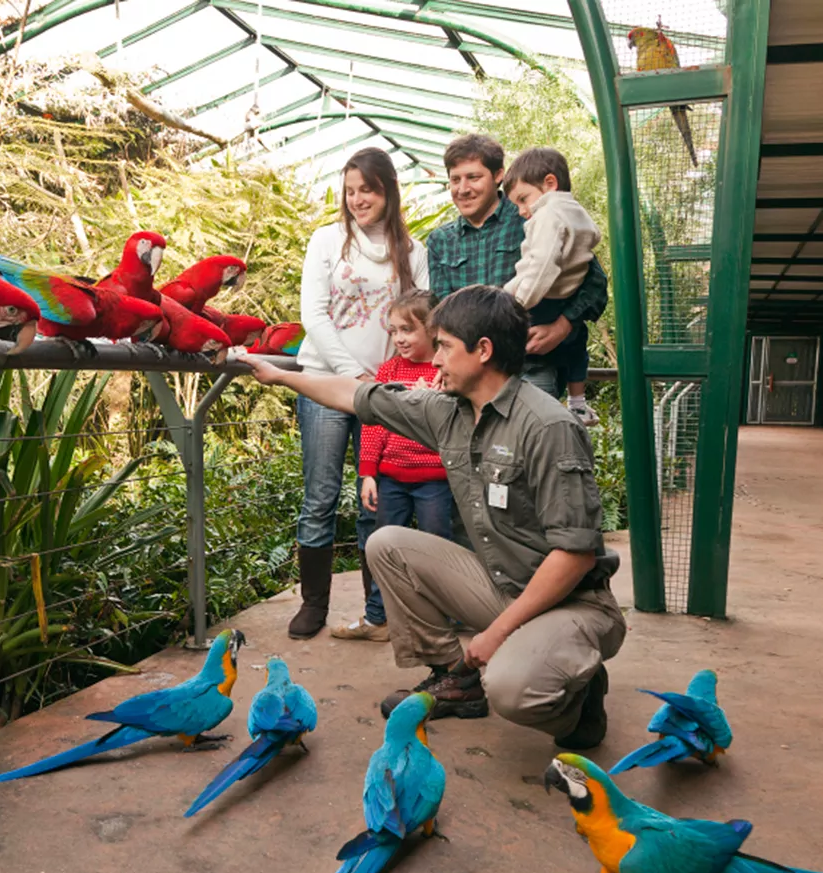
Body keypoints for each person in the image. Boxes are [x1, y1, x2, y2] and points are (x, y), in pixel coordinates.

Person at [241, 285, 626, 751]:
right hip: (504, 588)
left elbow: (575, 555)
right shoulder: (448, 412)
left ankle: (579, 706)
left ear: (482, 350)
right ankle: (454, 679)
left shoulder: (547, 427)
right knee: (387, 543)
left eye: (443, 345)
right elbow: (355, 394)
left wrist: (495, 635)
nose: (435, 358)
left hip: (572, 604)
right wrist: (280, 377)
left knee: (511, 689)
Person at [289, 147, 429, 640]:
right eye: (350, 191)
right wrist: (354, 375)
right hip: (328, 384)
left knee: (379, 499)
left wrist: (383, 380)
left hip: (384, 393)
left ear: (386, 190)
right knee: (320, 496)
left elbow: (421, 320)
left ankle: (379, 609)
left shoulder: (412, 252)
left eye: (366, 190)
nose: (357, 200)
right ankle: (314, 604)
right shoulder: (326, 240)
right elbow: (315, 315)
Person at [425, 134, 608, 401]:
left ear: (498, 175)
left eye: (473, 177)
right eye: (455, 179)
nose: (462, 189)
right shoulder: (440, 241)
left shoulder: (533, 215)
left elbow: (595, 282)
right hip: (469, 375)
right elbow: (441, 312)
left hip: (531, 366)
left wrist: (563, 326)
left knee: (530, 440)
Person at [331, 290, 453, 643]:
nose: (399, 338)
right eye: (394, 330)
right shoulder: (389, 371)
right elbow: (373, 424)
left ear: (432, 329)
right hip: (392, 480)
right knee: (381, 547)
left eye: (407, 330)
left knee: (435, 548)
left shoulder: (444, 371)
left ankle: (437, 619)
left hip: (435, 480)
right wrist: (368, 473)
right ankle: (377, 618)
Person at [501, 146, 603, 427]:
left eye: (524, 200)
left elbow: (540, 267)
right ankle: (578, 404)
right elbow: (592, 240)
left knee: (536, 421)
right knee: (577, 347)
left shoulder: (547, 216)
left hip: (539, 303)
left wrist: (513, 304)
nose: (523, 211)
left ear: (550, 184)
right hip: (560, 299)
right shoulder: (576, 212)